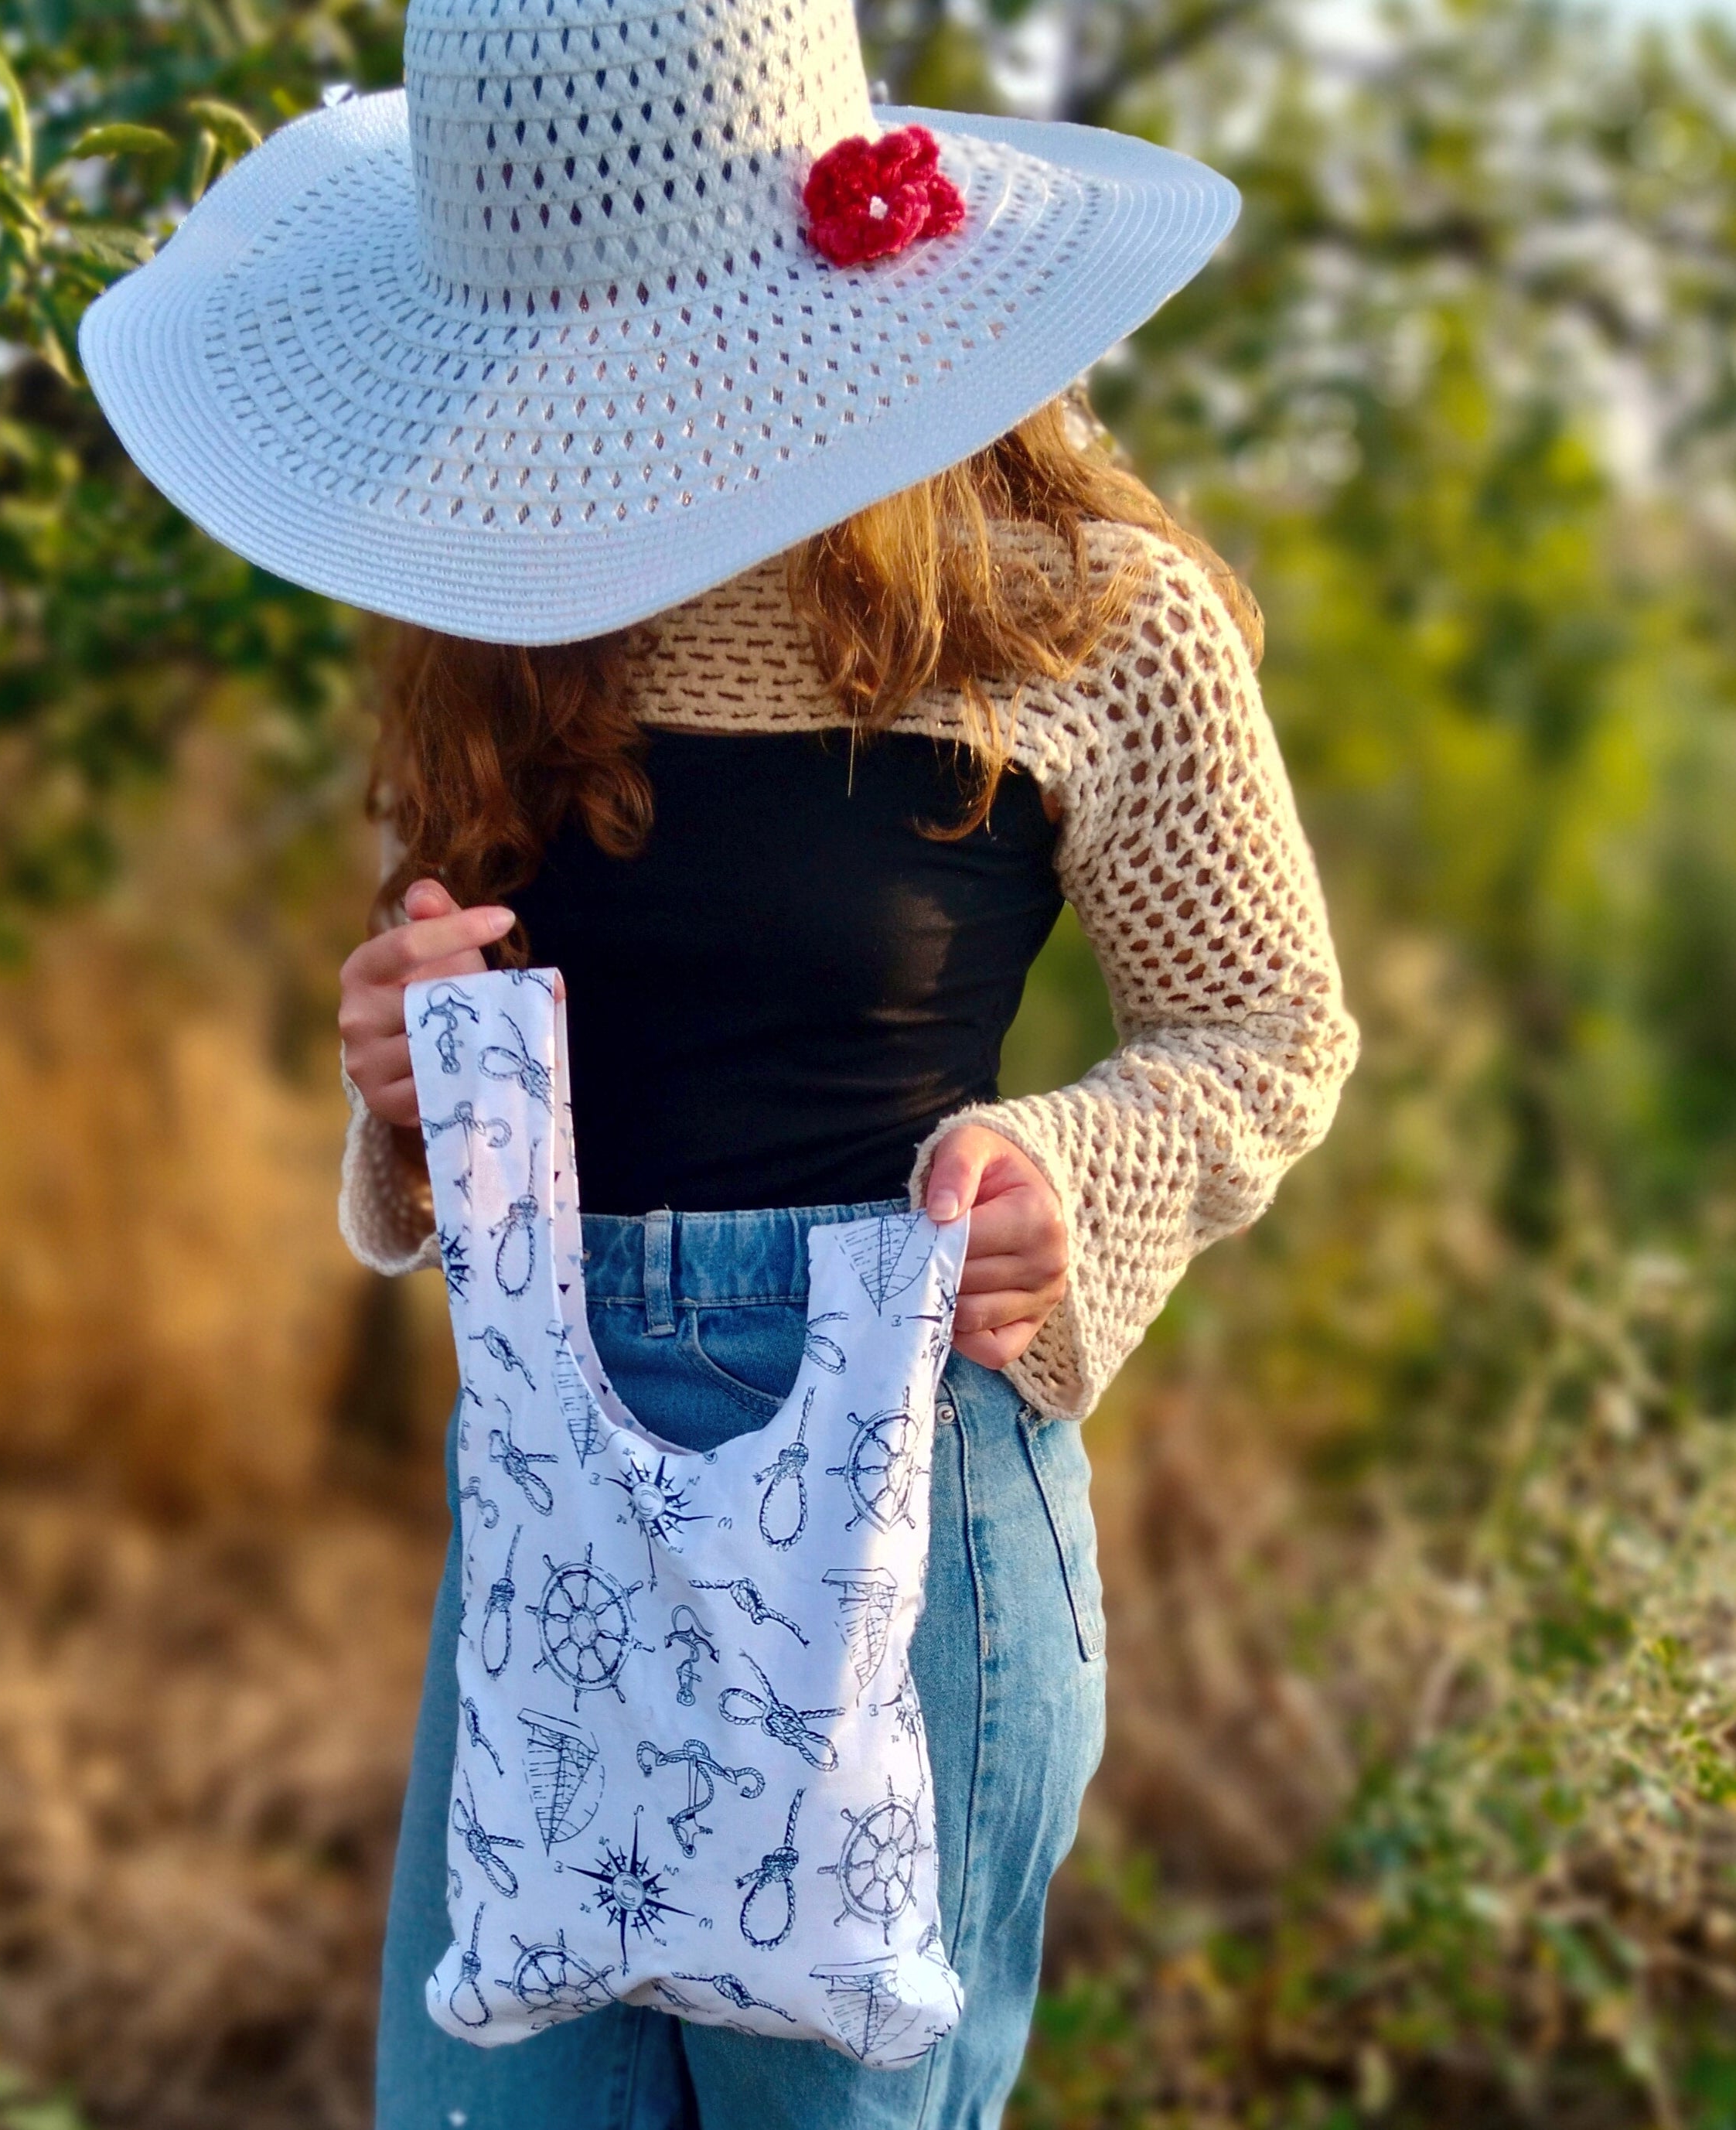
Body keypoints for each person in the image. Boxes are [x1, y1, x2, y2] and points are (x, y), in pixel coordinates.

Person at [78, 0, 1358, 2118]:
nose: (592, 408)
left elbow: (1265, 1026)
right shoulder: (493, 606)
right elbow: (451, 1028)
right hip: (552, 1494)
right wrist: (394, 1065)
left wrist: (1068, 1178)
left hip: (904, 1471)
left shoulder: (1091, 619)